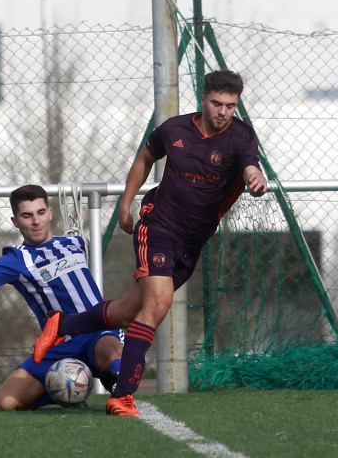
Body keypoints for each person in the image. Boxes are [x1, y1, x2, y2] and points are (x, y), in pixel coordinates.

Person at [33, 70, 268, 416]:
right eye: (217, 103)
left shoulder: (242, 137)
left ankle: (61, 325)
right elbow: (145, 159)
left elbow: (250, 166)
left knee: (129, 311)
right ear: (203, 99)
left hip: (193, 241)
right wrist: (126, 204)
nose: (222, 112)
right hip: (158, 225)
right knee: (158, 305)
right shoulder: (174, 130)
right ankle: (123, 395)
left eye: (230, 106)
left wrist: (255, 177)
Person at [0, 184, 123, 411]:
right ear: (15, 222)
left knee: (111, 351)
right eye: (26, 216)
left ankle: (122, 391)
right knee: (6, 403)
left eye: (40, 212)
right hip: (60, 343)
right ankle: (64, 393)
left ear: (50, 213)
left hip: (98, 332)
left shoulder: (74, 243)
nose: (35, 221)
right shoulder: (17, 260)